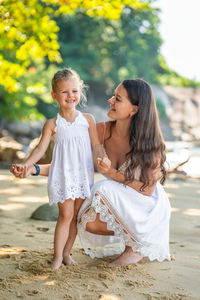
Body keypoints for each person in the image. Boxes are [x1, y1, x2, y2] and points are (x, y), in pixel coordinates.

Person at [11, 78, 171, 266]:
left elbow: (147, 190)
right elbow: (70, 166)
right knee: (84, 217)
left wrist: (111, 173)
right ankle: (131, 242)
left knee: (101, 188)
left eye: (117, 99)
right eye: (113, 96)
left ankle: (134, 248)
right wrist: (33, 169)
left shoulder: (151, 144)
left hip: (148, 206)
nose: (110, 100)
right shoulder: (100, 131)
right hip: (122, 200)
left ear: (134, 109)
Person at [10, 68, 106, 270]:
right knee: (65, 215)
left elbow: (96, 145)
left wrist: (102, 158)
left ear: (80, 92)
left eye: (74, 91)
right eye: (64, 92)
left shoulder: (87, 119)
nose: (70, 96)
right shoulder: (52, 124)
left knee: (77, 217)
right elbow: (40, 148)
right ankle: (56, 258)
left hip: (83, 176)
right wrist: (26, 165)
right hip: (63, 177)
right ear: (55, 96)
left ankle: (66, 254)